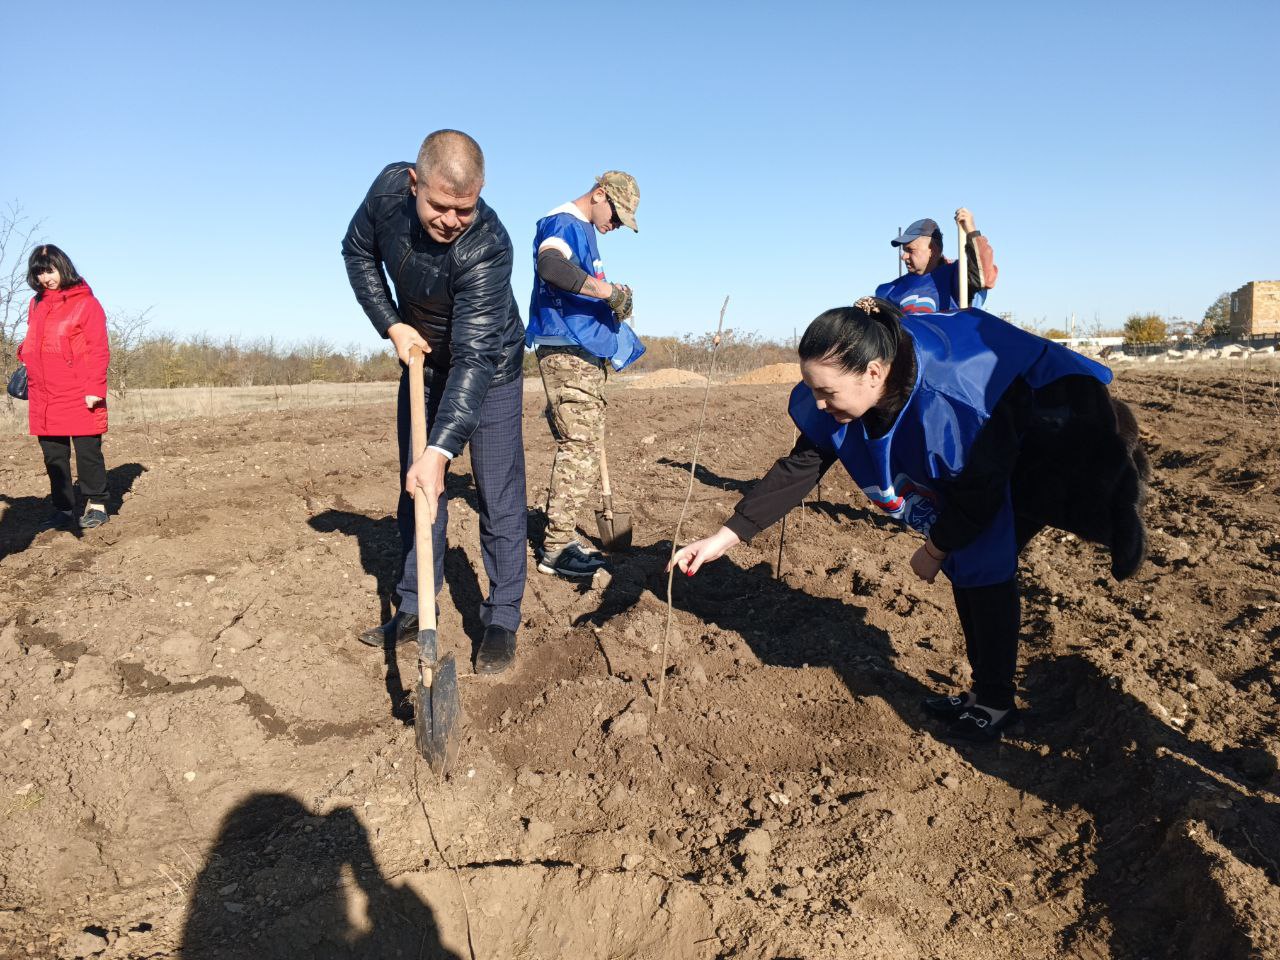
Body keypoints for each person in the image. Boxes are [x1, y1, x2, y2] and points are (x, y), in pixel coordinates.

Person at [671, 297, 1149, 742]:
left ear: (874, 373)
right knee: (967, 555)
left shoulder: (956, 405)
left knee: (981, 557)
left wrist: (935, 548)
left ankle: (997, 703)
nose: (818, 403)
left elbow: (977, 496)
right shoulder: (853, 390)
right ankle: (985, 693)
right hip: (975, 450)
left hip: (1045, 428)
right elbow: (803, 464)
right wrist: (723, 538)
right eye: (812, 389)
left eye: (827, 392)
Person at [342, 130, 527, 675]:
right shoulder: (384, 194)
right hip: (421, 356)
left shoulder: (489, 246)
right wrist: (392, 324)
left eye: (463, 209)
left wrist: (442, 449)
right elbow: (357, 252)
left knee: (497, 492)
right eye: (439, 206)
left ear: (481, 193)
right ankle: (416, 603)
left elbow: (474, 359)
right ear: (413, 183)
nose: (450, 220)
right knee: (418, 490)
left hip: (488, 369)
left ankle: (502, 617)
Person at [526, 171, 644, 579]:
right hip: (565, 347)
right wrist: (607, 293)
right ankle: (556, 549)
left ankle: (560, 540)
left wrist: (611, 305)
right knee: (578, 446)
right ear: (599, 195)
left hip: (582, 346)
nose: (615, 226)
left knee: (586, 444)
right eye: (616, 216)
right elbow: (550, 266)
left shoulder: (586, 231)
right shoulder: (562, 223)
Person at [18, 245, 111, 531]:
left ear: (63, 267)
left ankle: (97, 505)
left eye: (50, 270)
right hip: (44, 393)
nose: (46, 278)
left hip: (79, 390)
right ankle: (63, 508)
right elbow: (34, 339)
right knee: (54, 456)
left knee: (87, 452)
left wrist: (95, 387)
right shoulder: (36, 304)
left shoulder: (87, 303)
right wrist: (25, 354)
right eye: (39, 272)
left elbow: (98, 348)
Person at [875, 209, 997, 314]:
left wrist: (971, 231)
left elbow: (984, 277)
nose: (904, 256)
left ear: (933, 250)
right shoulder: (890, 290)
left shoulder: (956, 274)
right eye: (903, 251)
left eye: (910, 250)